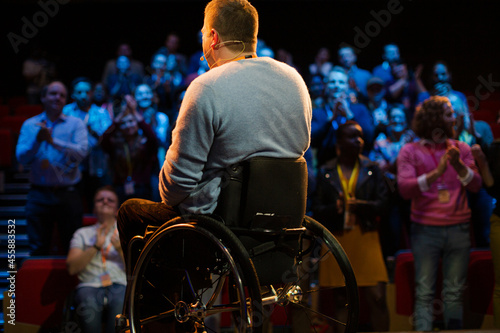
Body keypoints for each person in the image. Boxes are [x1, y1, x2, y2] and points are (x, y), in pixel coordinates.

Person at [117, 0, 311, 277]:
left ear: (213, 37)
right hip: (283, 225)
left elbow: (175, 188)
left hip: (221, 230)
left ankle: (156, 317)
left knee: (131, 212)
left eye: (204, 34)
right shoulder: (294, 80)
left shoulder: (207, 86)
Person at [397, 96, 482, 330]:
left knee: (454, 292)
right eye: (448, 113)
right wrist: (438, 172)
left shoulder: (461, 148)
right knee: (424, 292)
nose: (454, 117)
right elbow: (405, 189)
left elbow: (475, 185)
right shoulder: (410, 150)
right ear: (434, 118)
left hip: (458, 228)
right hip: (425, 229)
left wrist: (458, 166)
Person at [312, 121, 390, 332]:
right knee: (341, 300)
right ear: (339, 142)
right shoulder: (326, 170)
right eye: (353, 136)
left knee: (378, 297)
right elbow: (316, 210)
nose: (359, 140)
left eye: (361, 136)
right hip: (338, 240)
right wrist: (333, 208)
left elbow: (384, 205)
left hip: (366, 237)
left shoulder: (372, 169)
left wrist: (362, 206)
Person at [16, 81, 88, 255]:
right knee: (38, 248)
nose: (58, 98)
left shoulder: (76, 124)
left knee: (72, 250)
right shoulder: (30, 124)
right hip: (39, 194)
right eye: (53, 94)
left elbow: (82, 152)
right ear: (43, 97)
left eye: (62, 95)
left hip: (68, 193)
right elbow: (21, 158)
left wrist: (53, 141)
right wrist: (37, 140)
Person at [67, 186, 126, 333]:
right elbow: (72, 268)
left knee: (121, 301)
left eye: (110, 200)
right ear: (94, 208)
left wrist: (120, 249)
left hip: (120, 283)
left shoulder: (126, 234)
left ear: (116, 209)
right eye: (100, 200)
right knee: (88, 302)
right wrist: (95, 246)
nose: (105, 202)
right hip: (90, 284)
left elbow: (137, 270)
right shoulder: (82, 233)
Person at [63, 77, 113, 212]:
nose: (83, 95)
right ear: (73, 94)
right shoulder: (66, 112)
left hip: (96, 163)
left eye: (87, 92)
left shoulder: (101, 113)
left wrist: (93, 131)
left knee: (95, 199)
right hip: (73, 164)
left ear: (91, 93)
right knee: (74, 203)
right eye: (79, 92)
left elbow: (108, 138)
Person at [311, 66, 375, 166]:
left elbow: (368, 137)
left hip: (356, 167)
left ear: (347, 86)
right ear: (326, 86)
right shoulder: (318, 113)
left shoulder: (359, 109)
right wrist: (330, 120)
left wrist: (350, 115)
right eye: (332, 82)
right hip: (326, 167)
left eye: (341, 82)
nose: (337, 85)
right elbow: (312, 140)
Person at [101, 95, 158, 204]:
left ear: (137, 124)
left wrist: (134, 112)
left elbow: (153, 138)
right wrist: (121, 115)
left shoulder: (145, 143)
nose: (128, 125)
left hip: (143, 188)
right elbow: (104, 139)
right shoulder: (116, 145)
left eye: (131, 121)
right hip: (121, 188)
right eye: (124, 123)